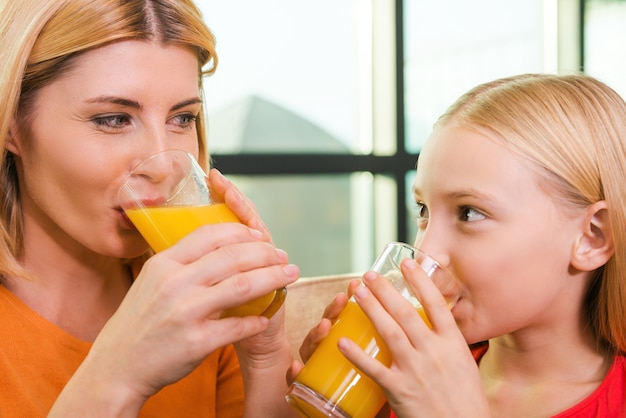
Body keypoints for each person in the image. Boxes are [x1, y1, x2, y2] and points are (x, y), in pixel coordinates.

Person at [0, 0, 301, 416]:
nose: (162, 166)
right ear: (12, 123)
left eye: (182, 119)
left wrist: (264, 358)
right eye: (113, 119)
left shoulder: (197, 300)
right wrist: (115, 377)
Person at [296, 73, 626, 417]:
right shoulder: (403, 377)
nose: (427, 249)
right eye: (423, 210)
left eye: (469, 213)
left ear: (592, 238)